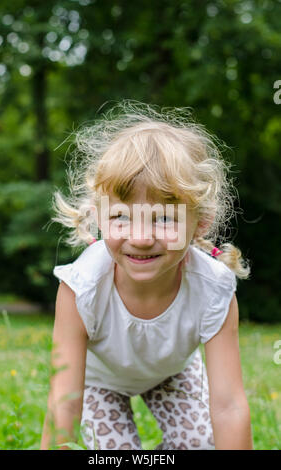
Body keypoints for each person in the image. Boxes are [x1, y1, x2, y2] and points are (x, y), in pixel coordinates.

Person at [40, 100, 253, 450]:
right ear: (99, 216)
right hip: (98, 382)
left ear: (201, 221)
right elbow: (65, 401)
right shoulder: (81, 287)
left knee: (203, 441)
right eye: (122, 217)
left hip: (173, 374)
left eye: (164, 219)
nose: (140, 238)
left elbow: (228, 406)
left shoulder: (213, 288)